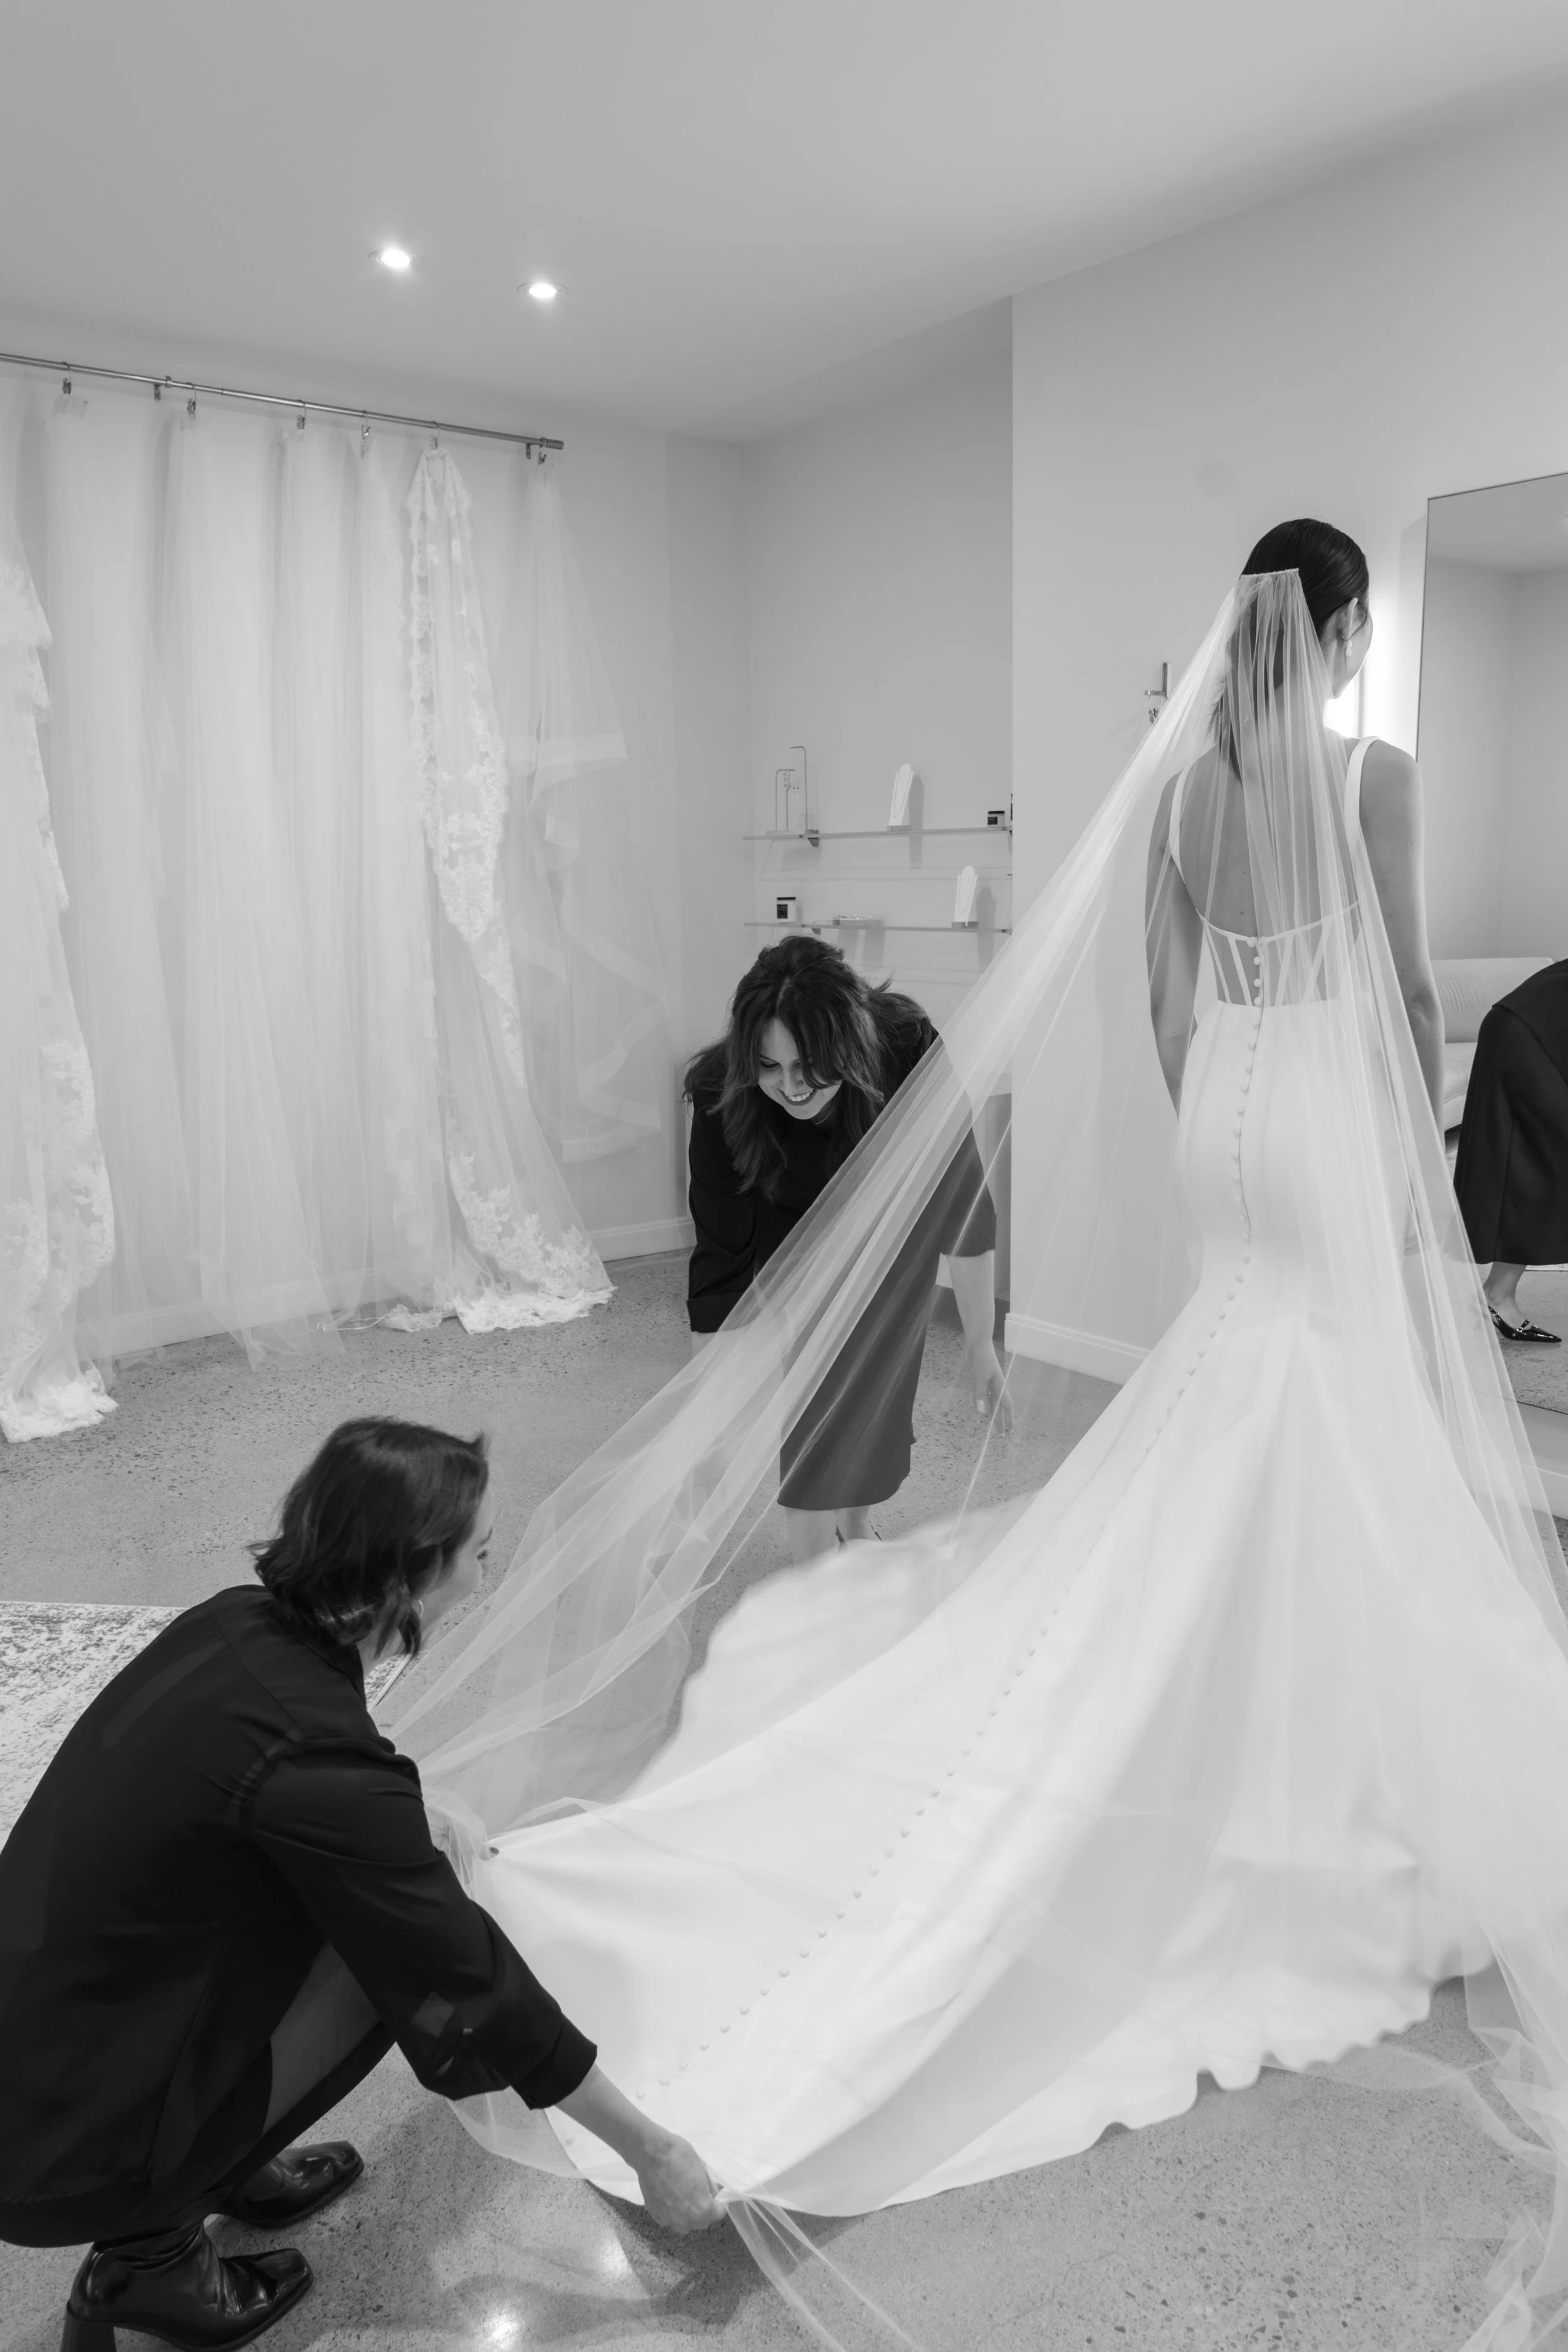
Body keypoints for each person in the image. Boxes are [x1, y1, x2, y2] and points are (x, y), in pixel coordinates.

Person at [391, 530, 1568, 2351]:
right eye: (1354, 630)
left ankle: (1270, 1695)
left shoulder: (1186, 789)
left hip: (1230, 1106)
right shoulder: (1374, 772)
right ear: (1342, 628)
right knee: (1328, 1407)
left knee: (1245, 1386)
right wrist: (1405, 1157)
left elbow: (1166, 1003)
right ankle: (1319, 1741)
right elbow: (1409, 991)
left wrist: (1220, 1118)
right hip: (1328, 1107)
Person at [0, 1419, 718, 2352]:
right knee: (399, 1973)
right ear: (407, 1578)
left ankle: (220, 2164)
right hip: (60, 2134)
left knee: (369, 1912)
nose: (488, 1572)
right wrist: (649, 2148)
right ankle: (149, 2252)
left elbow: (273, 1783)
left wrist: (400, 1809)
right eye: (480, 1553)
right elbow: (468, 1970)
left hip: (46, 2026)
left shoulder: (236, 1619)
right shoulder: (313, 1752)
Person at [686, 937, 1007, 1562]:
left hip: (890, 1223)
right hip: (789, 1224)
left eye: (808, 1065)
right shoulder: (720, 1096)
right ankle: (812, 1564)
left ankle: (855, 1518)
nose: (791, 1087)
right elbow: (720, 1262)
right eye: (769, 1065)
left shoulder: (906, 1047)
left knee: (878, 1377)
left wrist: (979, 1342)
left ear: (848, 1046)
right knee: (815, 1388)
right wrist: (703, 1414)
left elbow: (963, 1198)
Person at [1453, 958, 1568, 1344]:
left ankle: (1496, 1294)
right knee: (1551, 1158)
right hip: (1531, 1035)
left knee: (1538, 1159)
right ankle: (1497, 1295)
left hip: (1523, 1026)